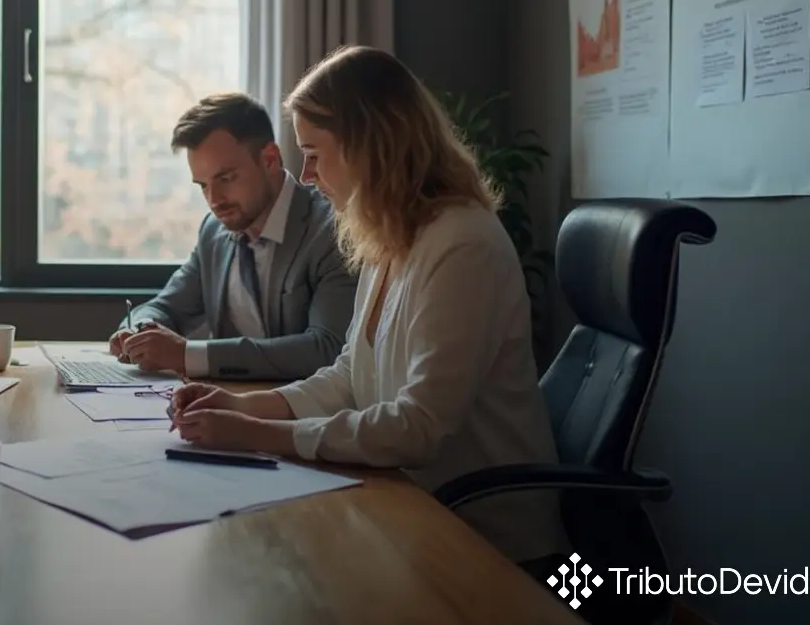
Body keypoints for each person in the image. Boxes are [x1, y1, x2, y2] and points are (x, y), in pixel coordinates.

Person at [167, 46, 568, 566]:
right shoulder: (391, 235)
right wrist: (239, 406)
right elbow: (350, 375)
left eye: (314, 152)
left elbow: (416, 427)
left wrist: (260, 434)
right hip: (411, 504)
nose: (306, 175)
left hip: (482, 536)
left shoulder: (462, 244)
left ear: (369, 145)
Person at [107, 92, 357, 381]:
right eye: (203, 185)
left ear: (270, 160)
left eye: (225, 178)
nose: (214, 200)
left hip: (305, 417)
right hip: (227, 406)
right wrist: (141, 330)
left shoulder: (333, 228)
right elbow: (164, 306)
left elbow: (328, 349)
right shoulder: (213, 232)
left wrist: (187, 354)